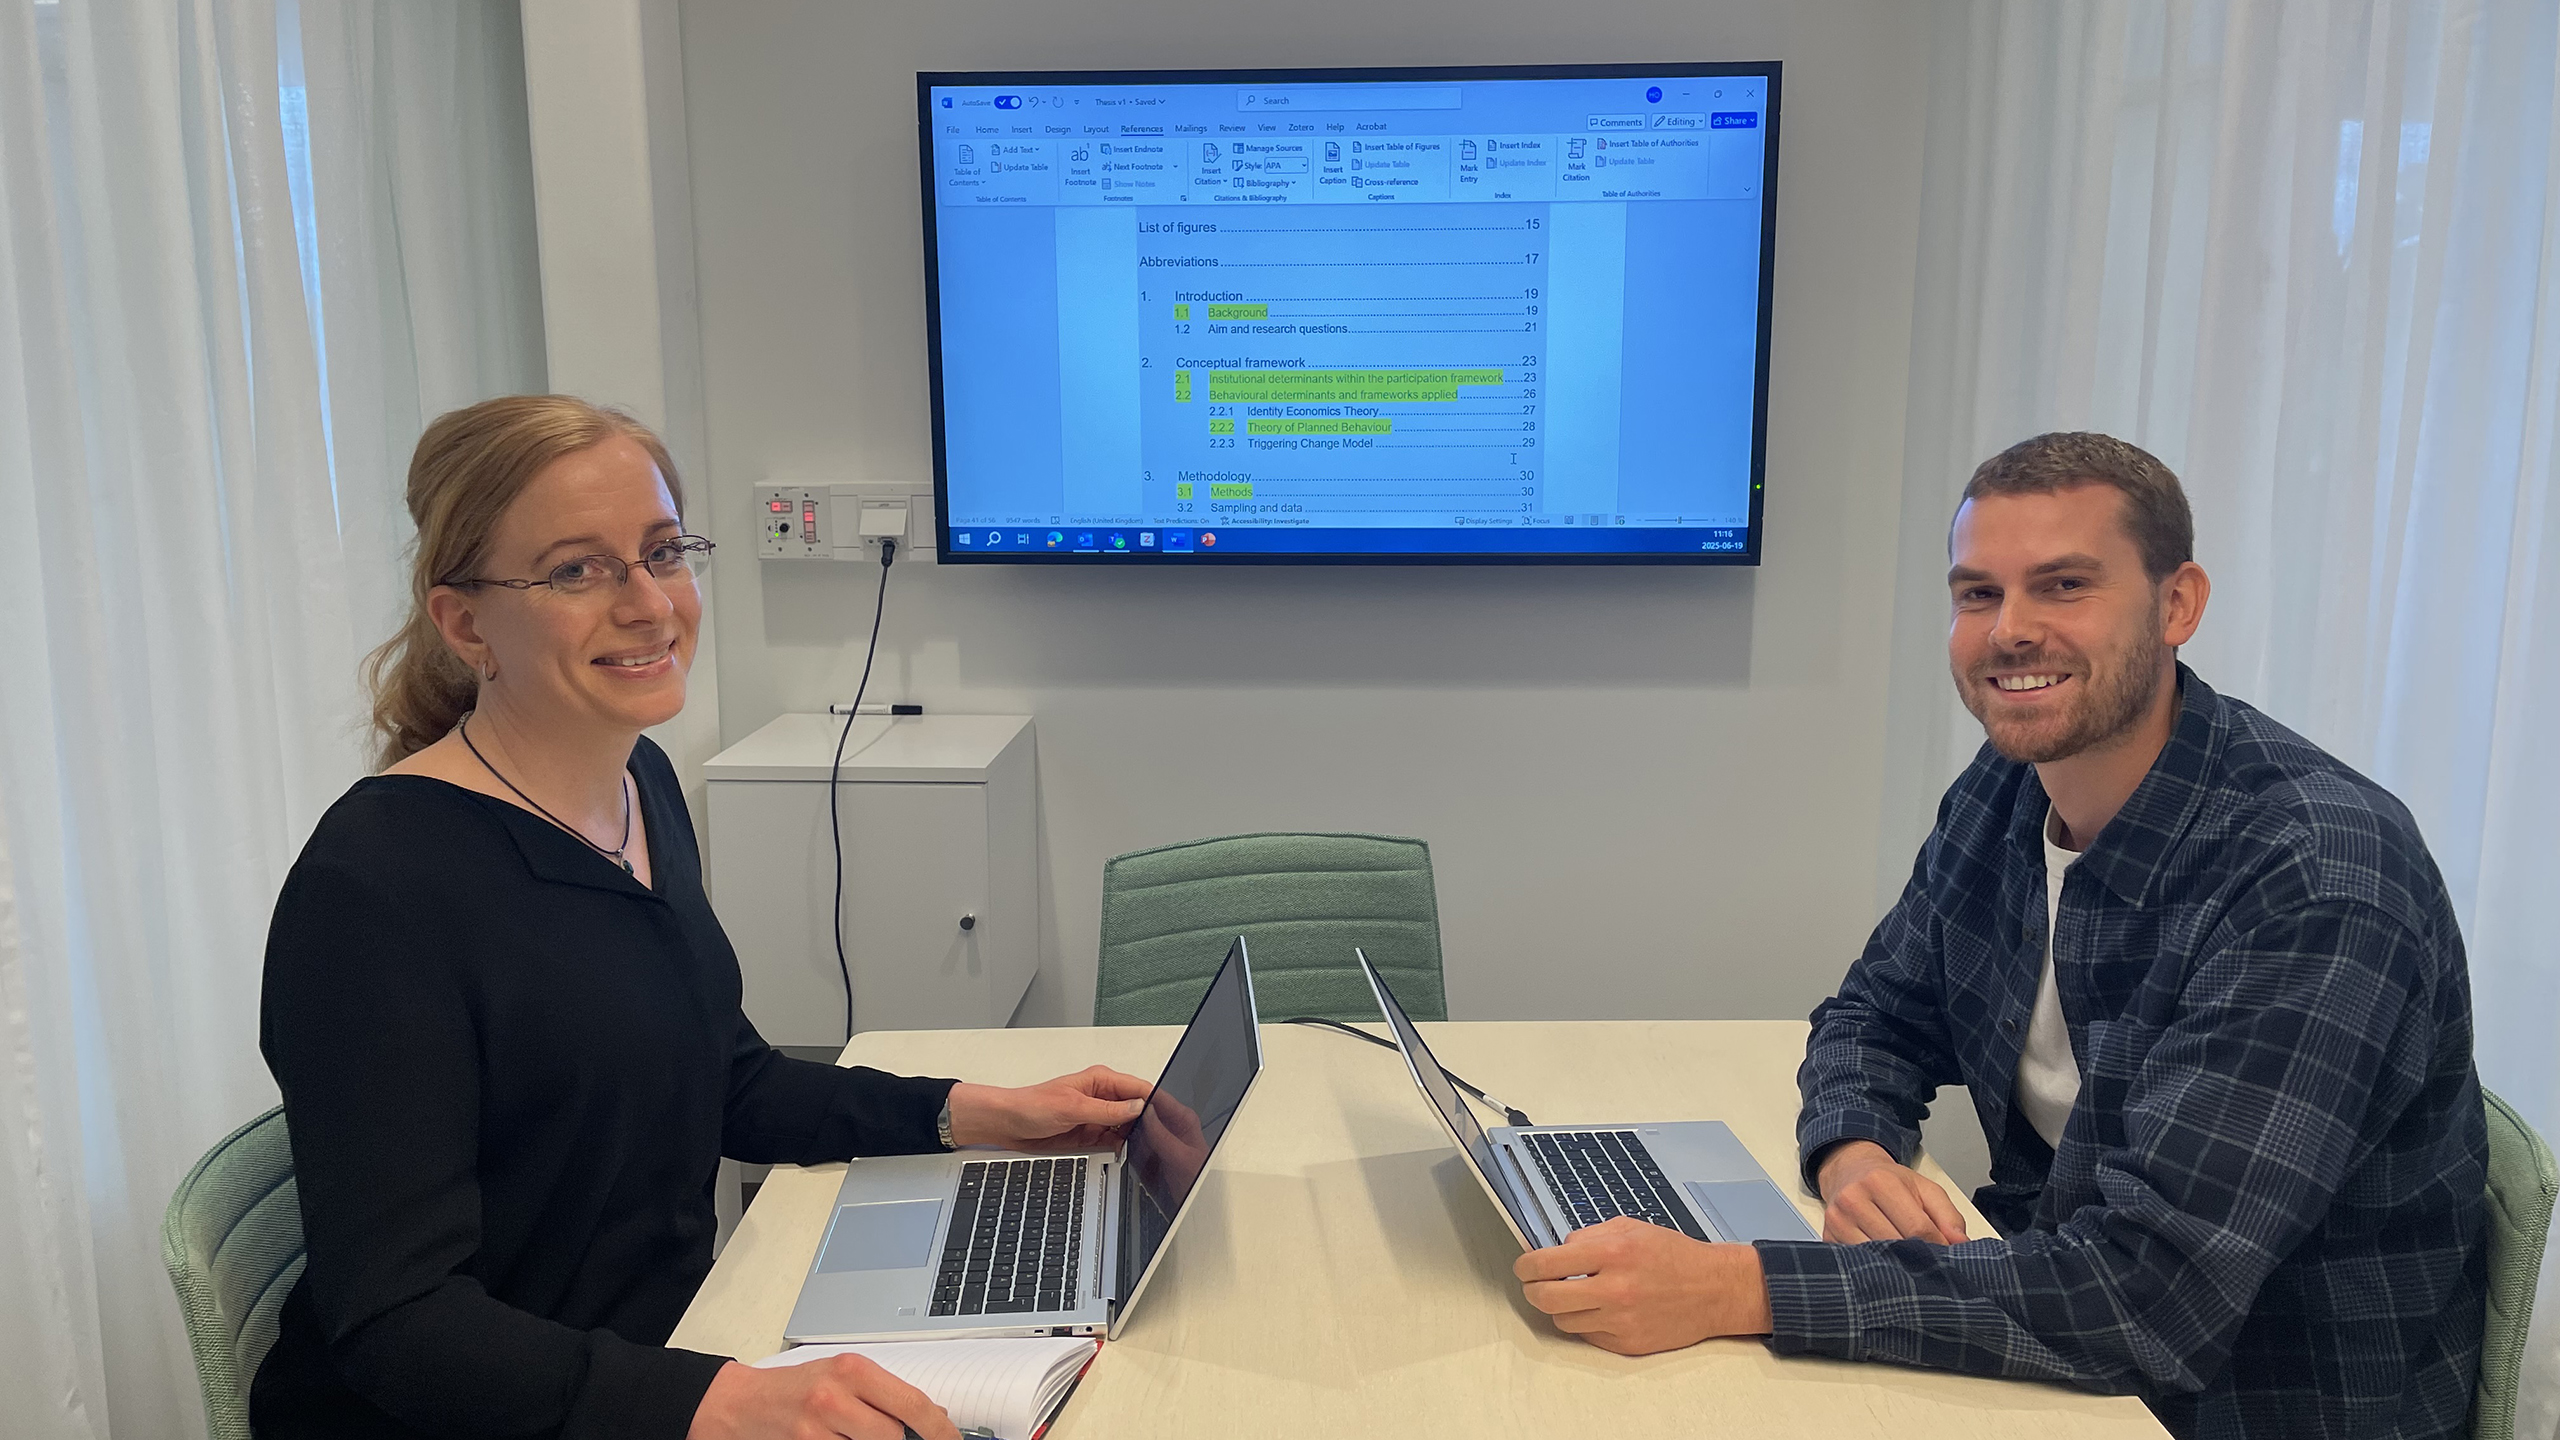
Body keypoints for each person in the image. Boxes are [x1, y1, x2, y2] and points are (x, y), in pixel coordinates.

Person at [1509, 433, 2486, 1439]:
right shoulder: (2008, 790)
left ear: (2177, 604)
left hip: (2240, 1404)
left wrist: (1733, 1288)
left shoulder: (2313, 877)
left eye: (2062, 586)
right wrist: (1854, 1151)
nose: (2008, 632)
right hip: (2054, 1344)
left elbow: (2151, 1301)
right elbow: (1873, 1014)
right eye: (1977, 595)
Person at [254, 395, 1155, 1440]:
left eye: (662, 551)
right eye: (576, 570)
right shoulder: (377, 889)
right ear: (465, 623)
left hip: (665, 1358)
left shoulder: (639, 782)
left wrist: (974, 1112)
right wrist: (715, 1400)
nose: (648, 604)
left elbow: (724, 1080)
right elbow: (399, 1325)